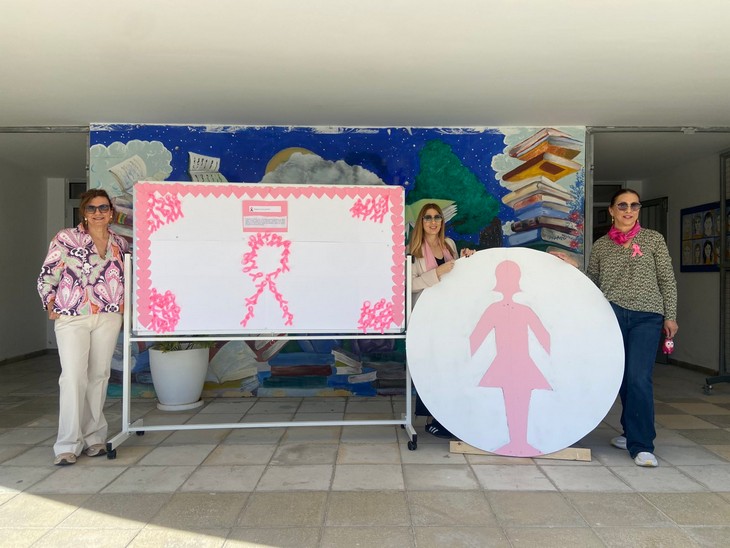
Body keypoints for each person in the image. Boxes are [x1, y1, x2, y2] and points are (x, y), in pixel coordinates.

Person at [553, 189, 678, 467]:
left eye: (634, 205)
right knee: (621, 377)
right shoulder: (601, 246)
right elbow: (593, 283)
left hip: (647, 316)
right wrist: (573, 267)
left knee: (638, 377)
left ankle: (642, 444)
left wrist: (670, 316)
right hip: (612, 316)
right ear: (611, 210)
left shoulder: (653, 239)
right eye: (622, 205)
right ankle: (629, 431)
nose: (628, 210)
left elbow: (667, 279)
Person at [37, 189, 128, 465]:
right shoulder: (66, 238)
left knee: (98, 376)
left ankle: (94, 437)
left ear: (111, 212)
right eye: (91, 208)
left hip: (108, 315)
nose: (98, 213)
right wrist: (49, 302)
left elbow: (127, 278)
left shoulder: (120, 243)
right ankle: (67, 444)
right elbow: (47, 273)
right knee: (73, 377)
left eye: (103, 208)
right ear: (84, 213)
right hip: (73, 315)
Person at [409, 203, 475, 438]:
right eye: (428, 218)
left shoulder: (449, 245)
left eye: (437, 217)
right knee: (430, 366)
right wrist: (436, 273)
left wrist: (467, 259)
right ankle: (431, 419)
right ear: (421, 222)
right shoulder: (413, 250)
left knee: (449, 365)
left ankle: (448, 416)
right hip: (426, 317)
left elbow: (457, 275)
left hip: (449, 315)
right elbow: (409, 284)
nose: (433, 222)